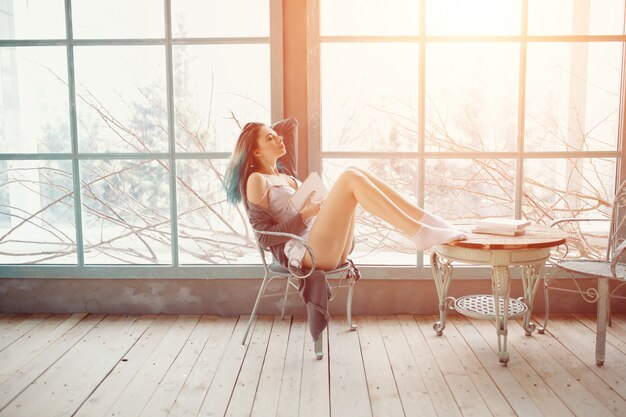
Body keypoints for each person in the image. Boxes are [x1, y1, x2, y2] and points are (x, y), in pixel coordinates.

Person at [223, 122, 466, 271]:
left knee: (358, 173)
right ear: (255, 151)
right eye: (270, 138)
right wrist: (306, 213)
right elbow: (264, 237)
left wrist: (313, 206)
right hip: (308, 252)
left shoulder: (287, 176)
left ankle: (428, 223)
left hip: (327, 246)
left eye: (277, 134)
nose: (279, 138)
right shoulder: (257, 180)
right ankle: (419, 233)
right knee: (350, 176)